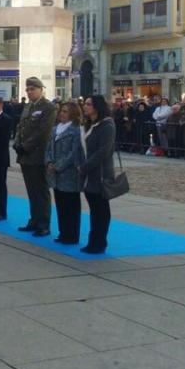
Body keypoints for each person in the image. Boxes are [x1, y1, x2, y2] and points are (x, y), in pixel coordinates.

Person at [14, 77, 57, 237]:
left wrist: (25, 146)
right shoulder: (28, 107)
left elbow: (43, 132)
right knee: (31, 190)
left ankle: (43, 223)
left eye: (33, 89)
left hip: (38, 154)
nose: (30, 92)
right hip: (25, 155)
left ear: (40, 89)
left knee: (41, 190)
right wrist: (17, 142)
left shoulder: (48, 107)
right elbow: (21, 127)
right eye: (28, 89)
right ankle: (34, 220)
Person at [79, 95, 116, 254]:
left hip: (99, 173)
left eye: (88, 104)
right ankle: (94, 240)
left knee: (101, 210)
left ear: (97, 107)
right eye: (85, 104)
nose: (85, 107)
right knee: (94, 209)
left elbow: (103, 151)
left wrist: (85, 166)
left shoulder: (107, 125)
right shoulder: (90, 124)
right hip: (89, 174)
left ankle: (99, 242)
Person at [46, 101, 85, 244]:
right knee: (60, 203)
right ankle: (63, 232)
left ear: (73, 114)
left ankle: (72, 234)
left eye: (65, 111)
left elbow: (74, 153)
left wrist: (59, 165)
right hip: (55, 173)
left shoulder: (75, 130)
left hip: (69, 173)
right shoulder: (55, 129)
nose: (61, 114)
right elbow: (49, 147)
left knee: (71, 206)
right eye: (61, 111)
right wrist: (49, 161)